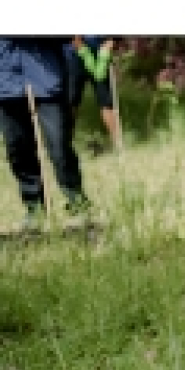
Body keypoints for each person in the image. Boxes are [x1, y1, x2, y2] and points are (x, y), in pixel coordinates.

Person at [0, 37, 89, 230]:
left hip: (45, 80)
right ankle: (34, 209)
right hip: (6, 83)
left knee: (59, 147)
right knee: (18, 150)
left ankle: (77, 203)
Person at [66, 35, 120, 149]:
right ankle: (65, 145)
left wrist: (112, 42)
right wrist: (80, 45)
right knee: (72, 101)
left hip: (101, 55)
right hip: (74, 55)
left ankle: (118, 144)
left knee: (107, 101)